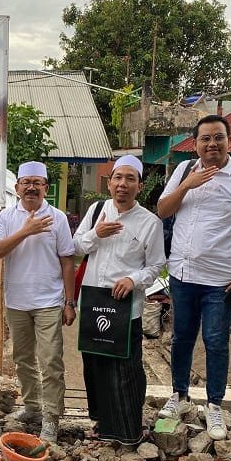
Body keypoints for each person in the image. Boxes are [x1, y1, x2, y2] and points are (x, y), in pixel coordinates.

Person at [156, 115, 231, 440]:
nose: (212, 144)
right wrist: (187, 185)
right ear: (196, 143)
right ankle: (180, 396)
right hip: (183, 275)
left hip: (222, 281)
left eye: (218, 138)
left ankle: (214, 405)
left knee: (216, 342)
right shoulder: (183, 171)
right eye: (205, 139)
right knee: (181, 338)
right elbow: (163, 210)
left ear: (229, 141)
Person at [74, 156, 165, 444]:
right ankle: (102, 423)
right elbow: (75, 247)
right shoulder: (96, 210)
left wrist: (133, 280)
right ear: (109, 182)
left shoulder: (149, 223)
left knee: (126, 369)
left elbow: (155, 266)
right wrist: (96, 234)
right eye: (117, 178)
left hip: (126, 308)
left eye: (130, 179)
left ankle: (128, 431)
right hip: (94, 302)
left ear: (140, 185)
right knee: (95, 366)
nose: (122, 184)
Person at [0, 161, 76, 442]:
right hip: (16, 301)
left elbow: (67, 261)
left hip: (49, 301)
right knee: (23, 359)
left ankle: (51, 417)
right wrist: (26, 230)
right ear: (17, 188)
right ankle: (32, 407)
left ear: (46, 189)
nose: (31, 188)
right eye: (26, 183)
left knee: (51, 360)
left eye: (37, 183)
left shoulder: (58, 218)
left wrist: (69, 301)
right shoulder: (6, 217)